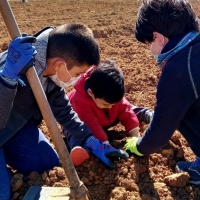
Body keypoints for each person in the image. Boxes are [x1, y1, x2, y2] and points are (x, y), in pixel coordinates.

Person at [0, 23, 128, 200]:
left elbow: (66, 114)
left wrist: (91, 141)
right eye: (77, 74)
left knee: (48, 163)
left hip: (14, 126)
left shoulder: (51, 75)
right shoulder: (16, 63)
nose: (76, 80)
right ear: (60, 65)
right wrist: (7, 78)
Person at [124, 0, 200, 187]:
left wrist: (138, 146)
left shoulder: (178, 70)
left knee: (179, 109)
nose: (151, 51)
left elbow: (159, 133)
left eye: (149, 44)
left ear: (158, 37)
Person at [63, 60, 152, 166]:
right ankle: (81, 150)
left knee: (127, 109)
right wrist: (106, 145)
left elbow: (125, 111)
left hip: (107, 118)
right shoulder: (79, 100)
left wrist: (135, 137)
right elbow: (91, 124)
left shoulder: (110, 95)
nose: (110, 107)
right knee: (74, 132)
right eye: (106, 104)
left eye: (113, 104)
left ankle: (145, 114)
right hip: (82, 124)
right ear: (91, 92)